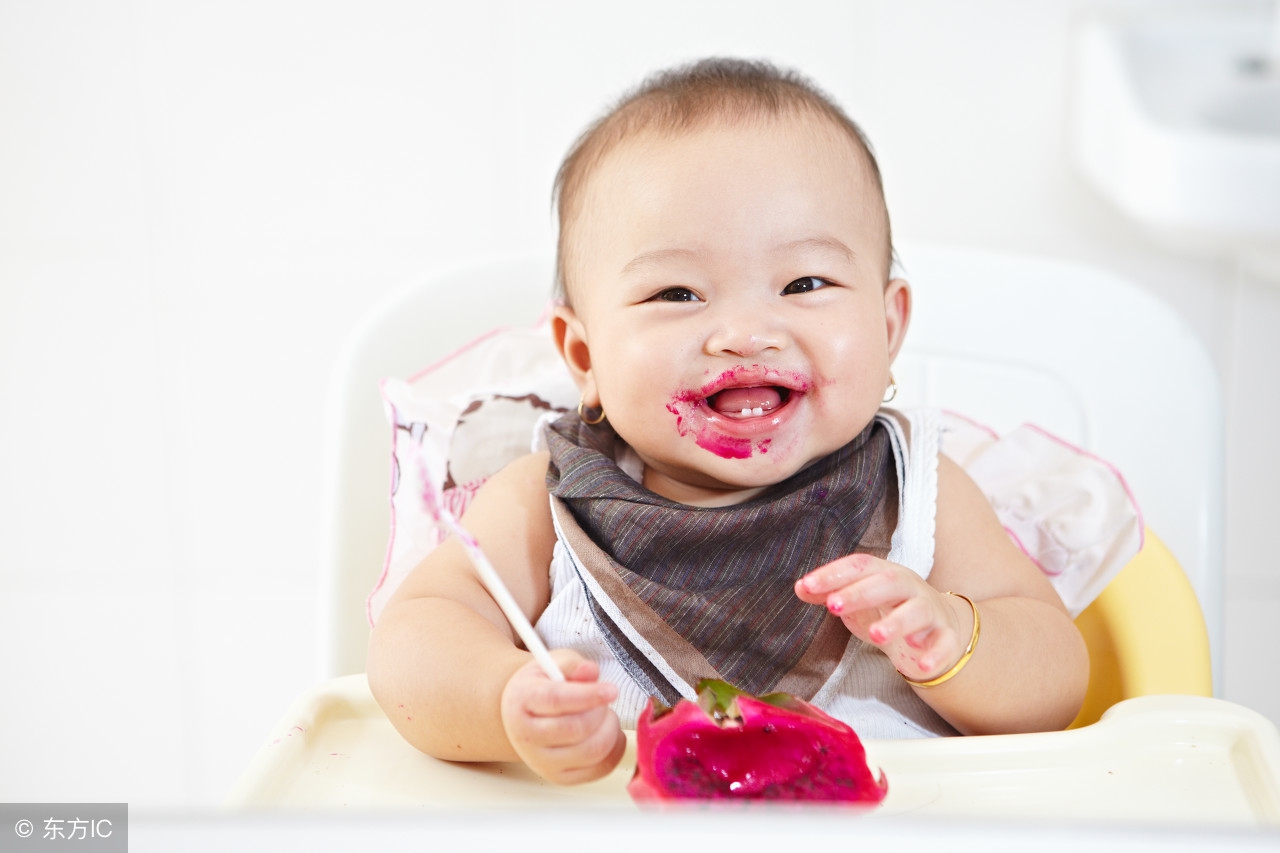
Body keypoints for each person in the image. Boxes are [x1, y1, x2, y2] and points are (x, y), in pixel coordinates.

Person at [366, 58, 1089, 786]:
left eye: (805, 283)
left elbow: (1056, 678)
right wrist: (501, 698)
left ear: (889, 323)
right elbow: (413, 643)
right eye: (677, 293)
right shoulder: (546, 505)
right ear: (584, 355)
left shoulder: (917, 491)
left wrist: (956, 637)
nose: (746, 333)